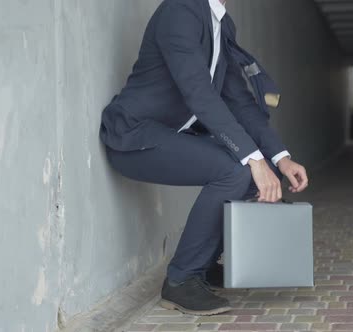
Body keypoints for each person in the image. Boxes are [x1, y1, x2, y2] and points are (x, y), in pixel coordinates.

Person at [99, 0, 309, 316]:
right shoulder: (180, 10)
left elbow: (240, 102)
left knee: (253, 169)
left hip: (170, 135)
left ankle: (204, 263)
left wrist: (279, 157)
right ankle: (181, 280)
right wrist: (253, 159)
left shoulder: (221, 23)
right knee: (237, 170)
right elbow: (198, 92)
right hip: (133, 135)